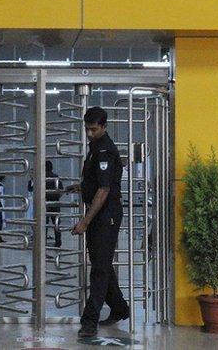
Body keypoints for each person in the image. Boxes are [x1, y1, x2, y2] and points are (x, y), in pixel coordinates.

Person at [65, 107, 130, 338]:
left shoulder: (105, 151)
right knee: (101, 263)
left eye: (94, 129)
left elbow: (103, 190)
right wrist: (81, 187)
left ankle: (89, 322)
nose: (90, 134)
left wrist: (85, 221)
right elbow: (96, 183)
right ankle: (121, 308)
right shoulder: (95, 148)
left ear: (104, 126)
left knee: (100, 269)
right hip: (100, 214)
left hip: (106, 216)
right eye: (87, 130)